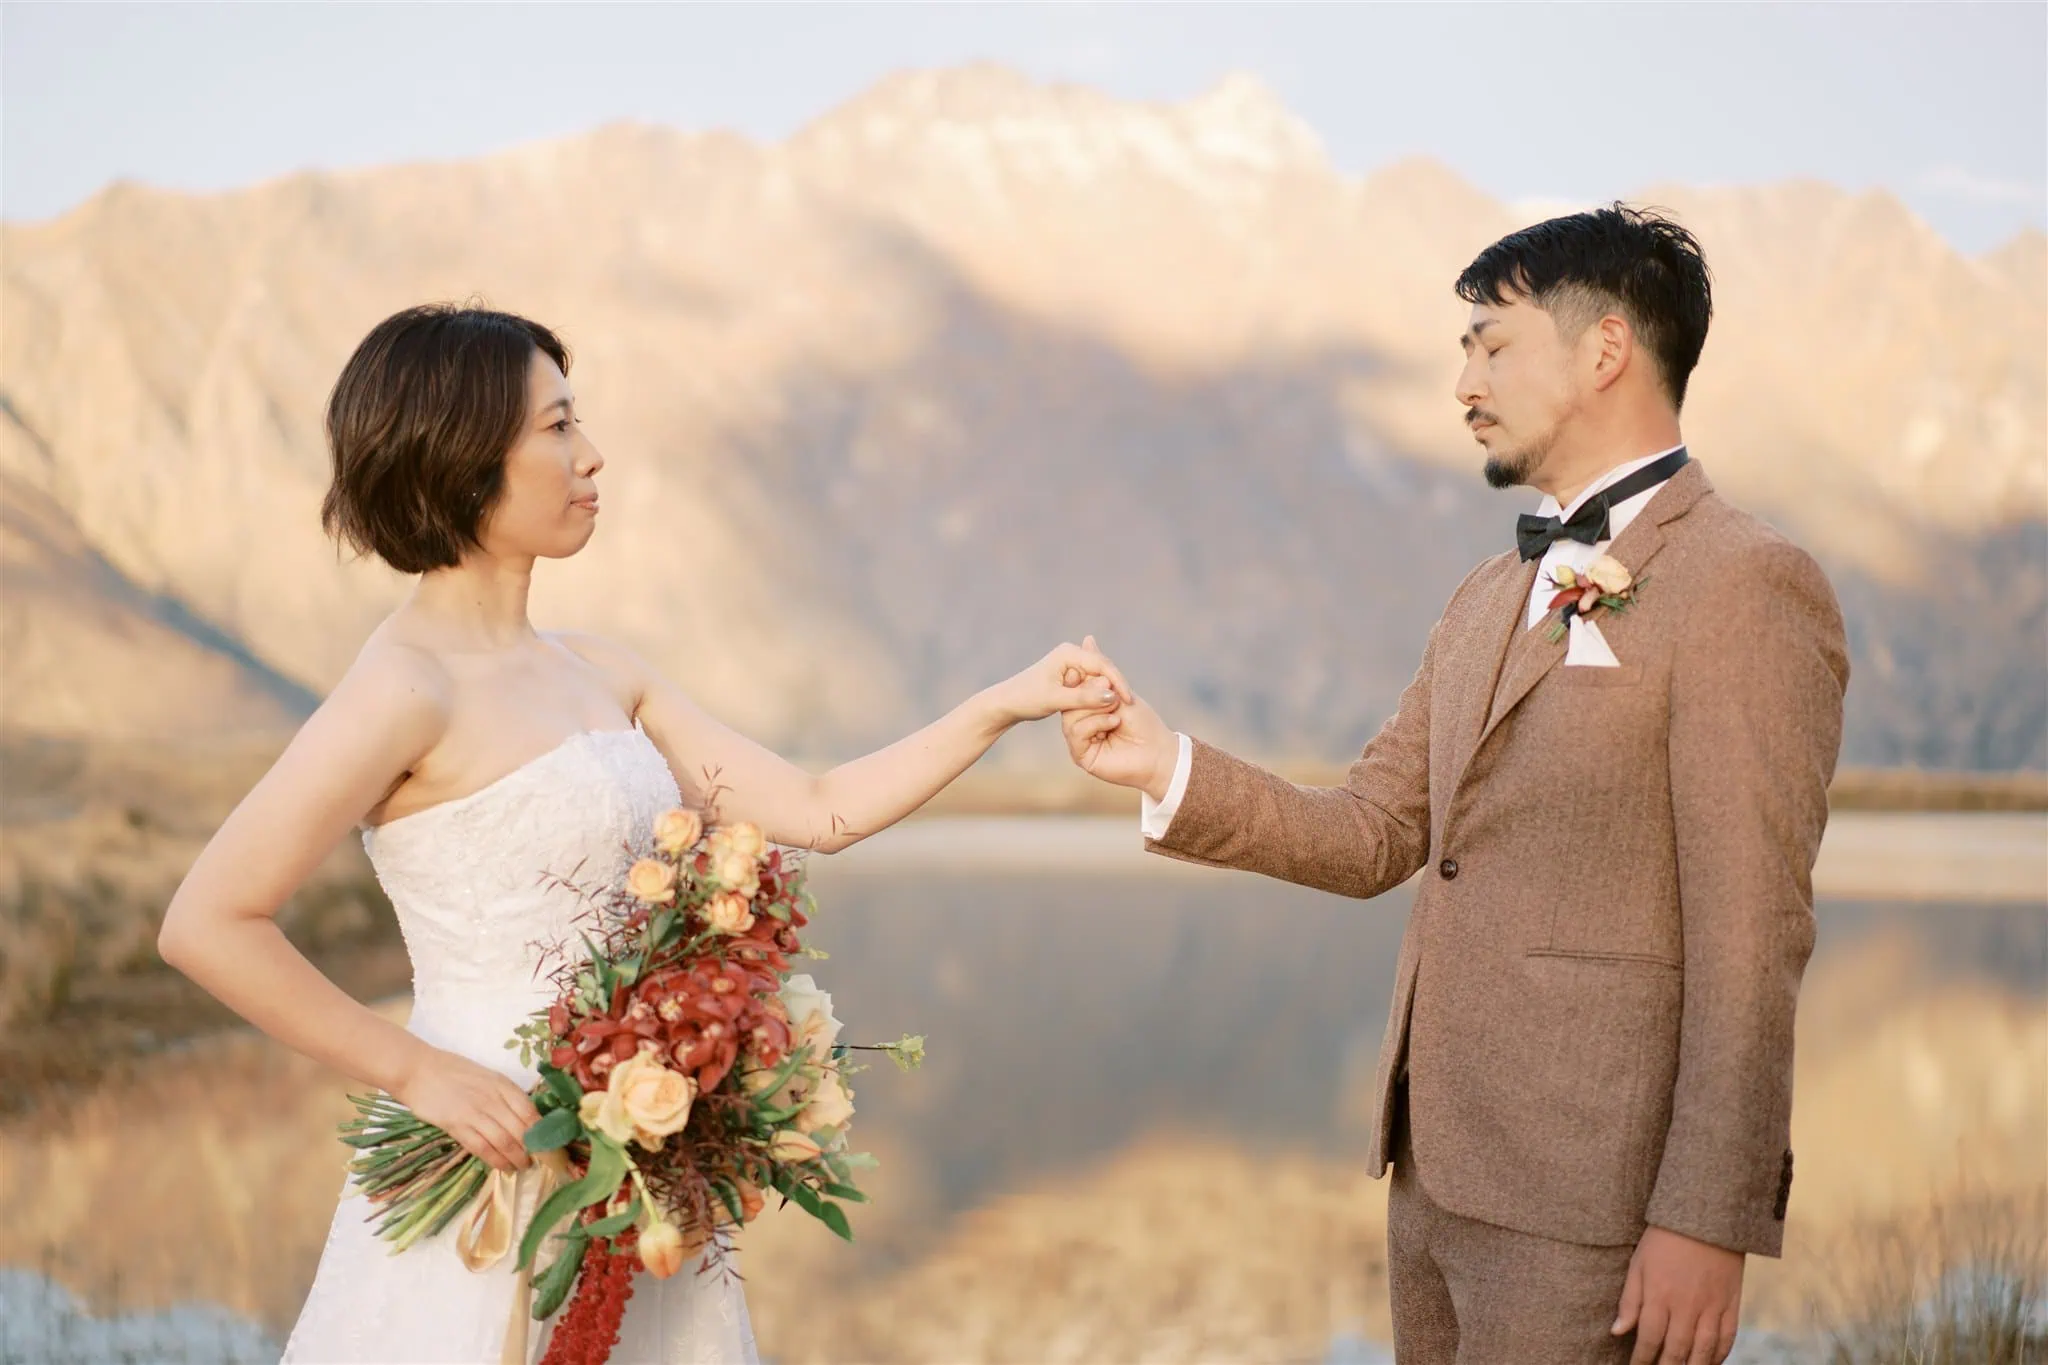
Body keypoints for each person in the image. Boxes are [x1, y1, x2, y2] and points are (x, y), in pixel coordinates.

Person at [157, 303, 1128, 1364]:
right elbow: (209, 922)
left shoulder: (603, 670)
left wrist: (1006, 702)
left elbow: (819, 810)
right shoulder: (401, 690)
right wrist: (413, 1070)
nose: (593, 454)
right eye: (558, 427)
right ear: (464, 453)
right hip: (487, 1161)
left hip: (636, 1178)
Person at [1062, 206, 1849, 1365]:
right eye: (1461, 351)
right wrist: (1164, 763)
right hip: (1431, 1178)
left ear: (1603, 350)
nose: (1461, 381)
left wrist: (1705, 1217)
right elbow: (1372, 831)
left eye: (1490, 344)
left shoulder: (1747, 585)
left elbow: (1751, 934)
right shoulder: (1485, 595)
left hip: (1598, 1210)